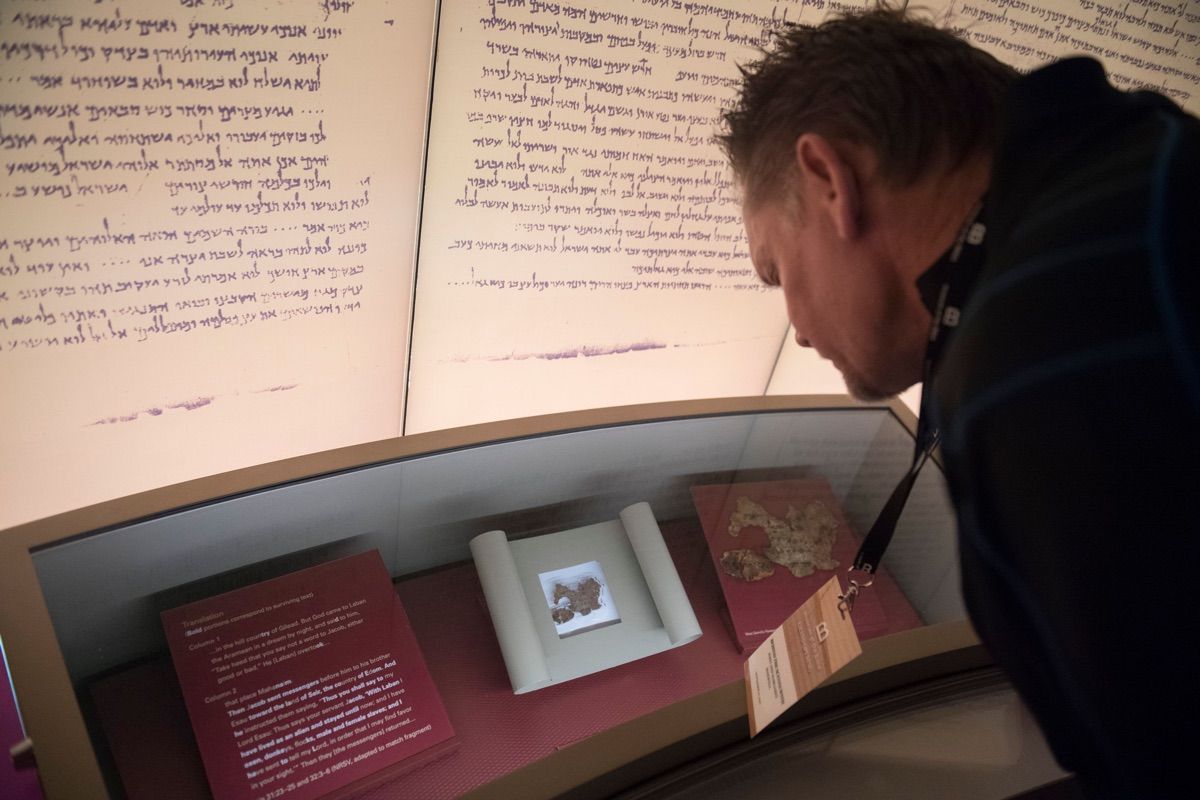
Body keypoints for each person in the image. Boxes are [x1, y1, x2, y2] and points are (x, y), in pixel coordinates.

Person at [718, 7, 1199, 799]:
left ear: (830, 181)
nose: (798, 331)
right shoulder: (1141, 160)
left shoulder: (1034, 363)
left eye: (777, 274)